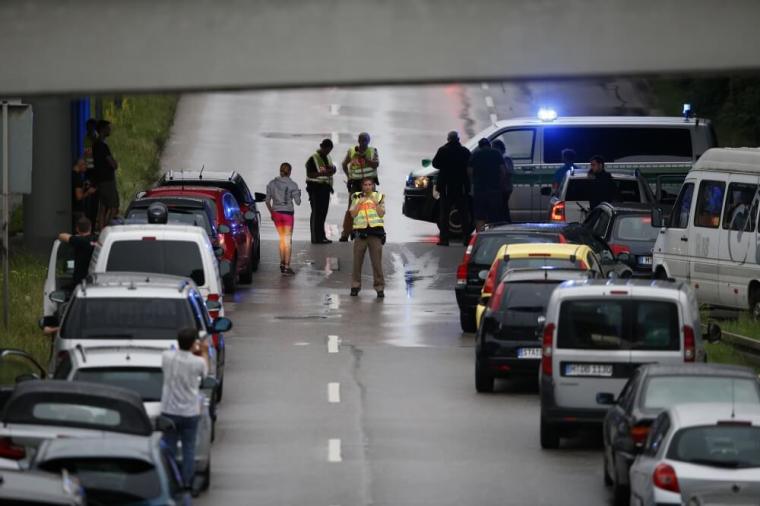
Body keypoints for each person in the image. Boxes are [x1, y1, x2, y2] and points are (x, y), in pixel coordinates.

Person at [160, 327, 209, 495]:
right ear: (193, 343)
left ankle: (170, 480)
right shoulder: (198, 362)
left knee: (169, 448)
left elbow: (170, 354)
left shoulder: (167, 357)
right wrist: (202, 351)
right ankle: (187, 482)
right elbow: (205, 374)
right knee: (188, 449)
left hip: (169, 411)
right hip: (189, 412)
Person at [432, 131, 471, 246]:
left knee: (444, 214)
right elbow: (470, 164)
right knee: (464, 214)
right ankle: (467, 239)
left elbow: (435, 164)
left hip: (446, 188)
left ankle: (444, 239)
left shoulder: (443, 150)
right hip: (461, 187)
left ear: (448, 139)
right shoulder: (464, 151)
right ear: (458, 139)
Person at [349, 177, 386, 298]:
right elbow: (353, 214)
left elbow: (381, 213)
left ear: (373, 186)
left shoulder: (379, 197)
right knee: (357, 263)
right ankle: (355, 286)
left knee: (377, 263)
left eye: (370, 184)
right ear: (362, 186)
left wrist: (375, 203)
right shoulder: (356, 196)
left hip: (375, 234)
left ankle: (379, 288)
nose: (368, 187)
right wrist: (360, 203)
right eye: (365, 184)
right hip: (361, 233)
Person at [340, 132, 379, 242]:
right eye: (361, 140)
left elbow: (375, 164)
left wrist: (365, 158)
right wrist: (348, 177)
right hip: (356, 184)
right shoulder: (352, 151)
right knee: (351, 209)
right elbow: (344, 164)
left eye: (365, 141)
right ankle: (345, 234)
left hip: (368, 185)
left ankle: (367, 232)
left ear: (368, 141)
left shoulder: (373, 151)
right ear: (358, 141)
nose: (363, 143)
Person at [266, 162, 302, 275]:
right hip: (287, 215)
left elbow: (267, 201)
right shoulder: (293, 185)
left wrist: (272, 213)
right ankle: (286, 266)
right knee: (288, 240)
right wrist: (298, 195)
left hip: (276, 214)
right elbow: (298, 202)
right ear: (290, 172)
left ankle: (282, 263)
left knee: (282, 238)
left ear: (280, 170)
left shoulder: (271, 184)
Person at [468, 138, 506, 231]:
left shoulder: (475, 154)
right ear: (489, 145)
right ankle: (493, 237)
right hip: (494, 190)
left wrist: (473, 182)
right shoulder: (496, 153)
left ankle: (480, 237)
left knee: (480, 216)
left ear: (480, 146)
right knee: (495, 215)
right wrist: (500, 184)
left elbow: (469, 171)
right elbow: (503, 171)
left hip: (479, 190)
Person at [305, 139, 337, 244]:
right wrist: (323, 174)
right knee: (316, 214)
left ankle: (321, 236)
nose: (328, 152)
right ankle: (316, 238)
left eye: (330, 150)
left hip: (325, 189)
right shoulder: (313, 158)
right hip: (315, 189)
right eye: (327, 149)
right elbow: (310, 174)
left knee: (323, 214)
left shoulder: (327, 157)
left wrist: (333, 170)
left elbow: (330, 170)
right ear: (322, 147)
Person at [92, 120, 119, 231]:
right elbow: (112, 163)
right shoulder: (103, 146)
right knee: (114, 205)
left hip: (100, 180)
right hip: (107, 180)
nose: (110, 130)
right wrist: (115, 163)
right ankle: (107, 229)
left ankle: (101, 229)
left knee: (103, 206)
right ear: (102, 130)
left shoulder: (95, 145)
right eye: (108, 128)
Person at [57, 216, 96, 288]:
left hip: (80, 283)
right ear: (90, 227)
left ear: (77, 229)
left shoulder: (78, 241)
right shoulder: (97, 240)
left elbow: (61, 235)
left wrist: (75, 237)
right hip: (94, 280)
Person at [491, 139, 515, 223]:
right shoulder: (503, 157)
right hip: (505, 187)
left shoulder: (505, 158)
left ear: (499, 148)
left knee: (503, 208)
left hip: (504, 187)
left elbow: (508, 172)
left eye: (494, 148)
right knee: (503, 208)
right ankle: (506, 223)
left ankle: (506, 224)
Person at [71, 157, 97, 224]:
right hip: (77, 210)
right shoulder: (77, 178)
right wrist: (88, 192)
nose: (86, 167)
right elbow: (79, 197)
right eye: (85, 165)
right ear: (80, 164)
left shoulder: (71, 175)